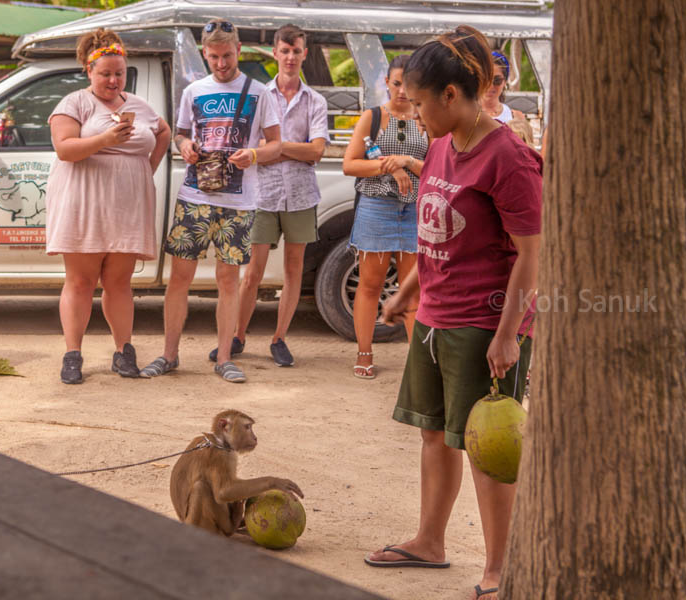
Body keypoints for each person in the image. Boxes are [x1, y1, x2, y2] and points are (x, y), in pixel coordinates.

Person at [366, 26, 542, 600]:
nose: (413, 114)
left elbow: (533, 254)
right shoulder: (441, 145)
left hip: (483, 325)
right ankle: (429, 541)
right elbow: (435, 229)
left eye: (418, 102)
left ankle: (499, 569)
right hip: (435, 318)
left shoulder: (509, 157)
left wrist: (508, 333)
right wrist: (406, 290)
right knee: (434, 436)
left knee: (487, 448)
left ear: (450, 95)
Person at [139, 19, 281, 383]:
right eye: (215, 57)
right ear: (205, 54)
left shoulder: (259, 92)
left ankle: (224, 356)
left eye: (228, 56)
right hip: (194, 196)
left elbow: (275, 144)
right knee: (179, 278)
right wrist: (185, 146)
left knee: (228, 279)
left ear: (239, 50)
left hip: (239, 201)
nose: (221, 63)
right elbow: (181, 134)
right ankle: (169, 355)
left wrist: (254, 155)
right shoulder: (194, 91)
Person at [46, 28, 171, 384]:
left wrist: (146, 170)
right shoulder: (75, 103)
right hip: (84, 202)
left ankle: (124, 352)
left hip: (127, 205)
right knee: (81, 281)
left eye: (119, 73)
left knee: (119, 283)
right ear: (89, 72)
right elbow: (65, 148)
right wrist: (105, 139)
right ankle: (73, 355)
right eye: (105, 74)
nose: (113, 80)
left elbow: (163, 132)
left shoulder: (138, 105)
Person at [212, 23, 328, 368]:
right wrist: (289, 149)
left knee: (294, 269)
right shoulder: (258, 95)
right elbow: (251, 146)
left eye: (296, 51)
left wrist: (276, 148)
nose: (291, 57)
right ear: (275, 53)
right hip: (262, 194)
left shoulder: (315, 101)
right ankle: (239, 335)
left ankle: (279, 338)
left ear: (304, 54)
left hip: (301, 195)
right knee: (253, 271)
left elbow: (318, 151)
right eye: (285, 50)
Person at [342, 55, 427, 379]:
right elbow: (350, 164)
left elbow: (434, 166)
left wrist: (405, 161)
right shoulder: (374, 116)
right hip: (377, 206)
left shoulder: (425, 117)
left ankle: (417, 361)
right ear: (387, 83)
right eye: (396, 83)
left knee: (412, 289)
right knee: (370, 285)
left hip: (414, 209)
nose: (402, 90)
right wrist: (388, 165)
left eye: (408, 84)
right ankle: (364, 353)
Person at [482, 51, 524, 124]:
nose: (490, 85)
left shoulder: (515, 118)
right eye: (486, 79)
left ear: (505, 82)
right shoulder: (466, 115)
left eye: (497, 80)